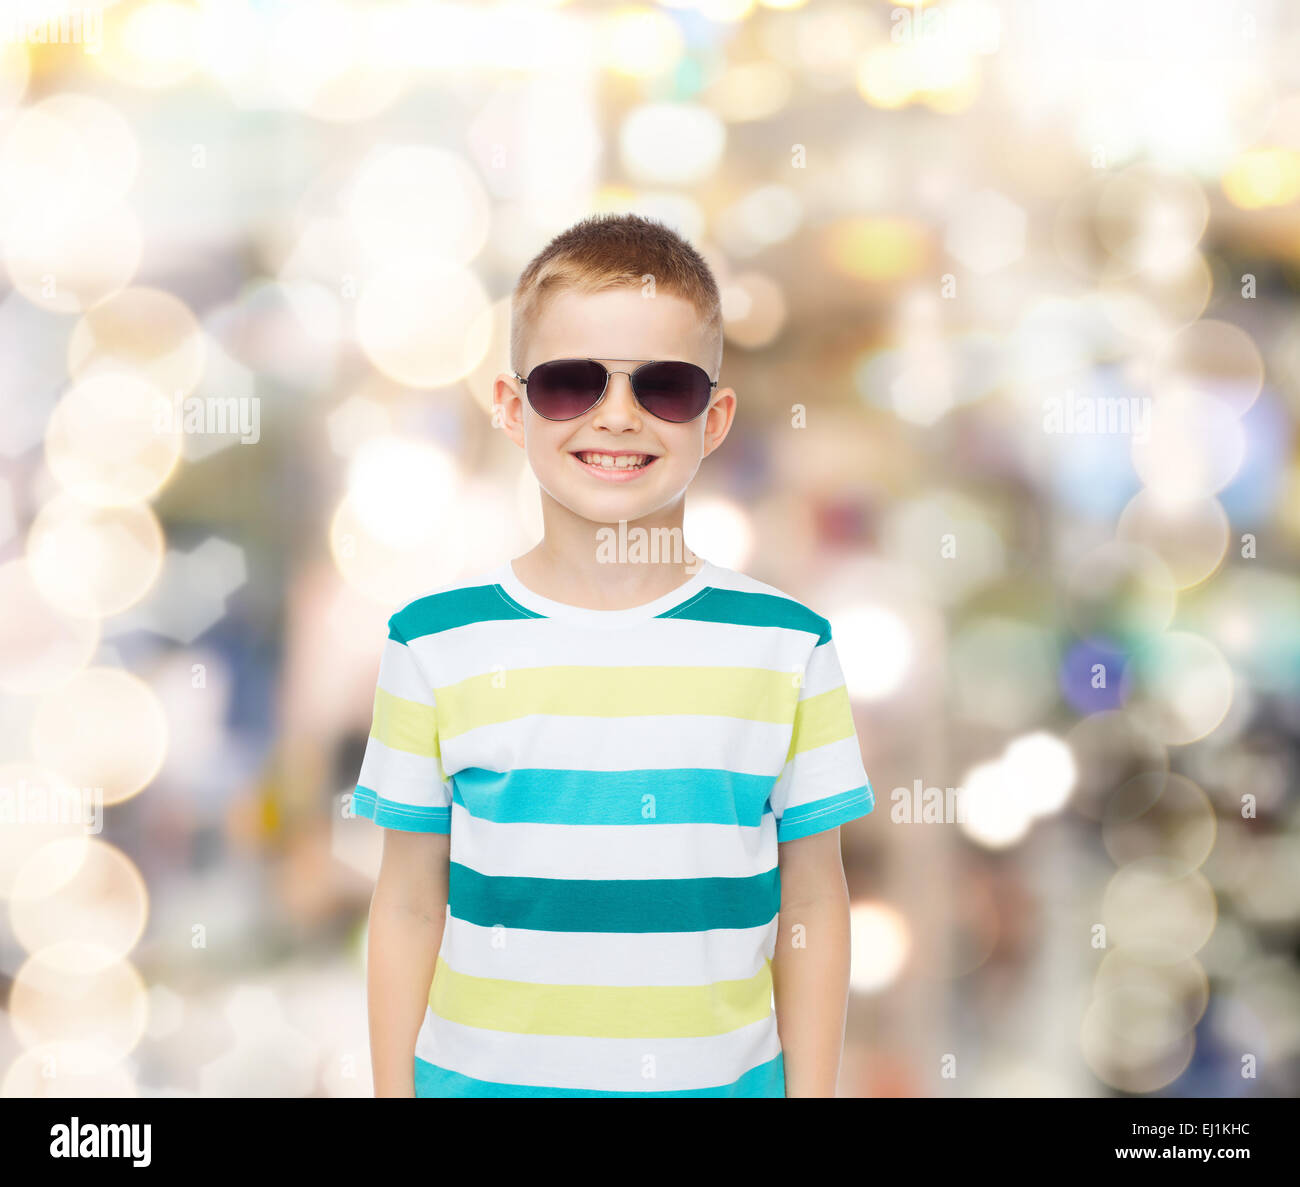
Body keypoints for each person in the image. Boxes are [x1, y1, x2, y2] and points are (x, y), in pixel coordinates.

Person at [353, 212, 875, 1097]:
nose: (619, 416)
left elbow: (815, 902)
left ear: (713, 419)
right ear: (514, 407)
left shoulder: (789, 646)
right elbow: (408, 899)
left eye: (663, 387)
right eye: (571, 384)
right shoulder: (432, 642)